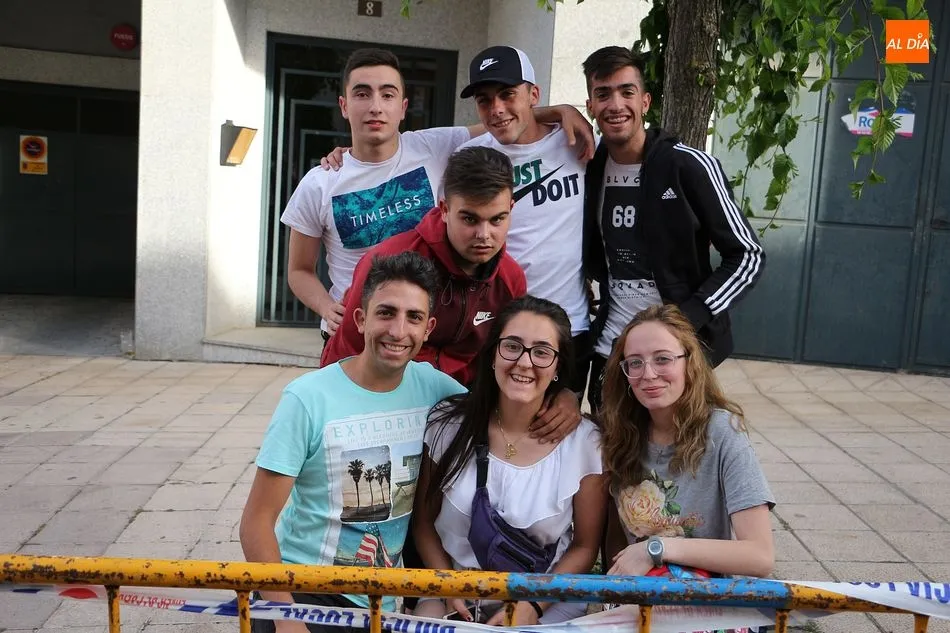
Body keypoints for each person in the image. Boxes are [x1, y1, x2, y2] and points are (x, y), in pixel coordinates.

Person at [286, 48, 594, 340]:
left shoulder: (431, 146)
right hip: (354, 333)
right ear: (344, 105)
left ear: (403, 107)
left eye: (387, 94)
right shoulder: (320, 182)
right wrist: (327, 307)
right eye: (362, 94)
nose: (375, 106)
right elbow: (299, 270)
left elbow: (501, 120)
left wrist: (562, 111)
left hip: (420, 333)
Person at [239, 252, 467, 633]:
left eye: (413, 317)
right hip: (303, 593)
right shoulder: (307, 398)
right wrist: (285, 617)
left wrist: (563, 401)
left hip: (381, 603)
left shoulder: (435, 388)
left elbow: (500, 415)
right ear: (360, 319)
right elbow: (256, 522)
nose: (398, 330)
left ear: (428, 328)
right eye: (386, 313)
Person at [581, 46, 766, 411]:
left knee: (676, 449)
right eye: (603, 94)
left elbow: (748, 255)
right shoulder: (587, 167)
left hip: (677, 353)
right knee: (608, 446)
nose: (615, 105)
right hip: (611, 351)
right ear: (590, 106)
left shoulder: (688, 166)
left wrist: (689, 317)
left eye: (626, 92)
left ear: (645, 101)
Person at [412, 296, 607, 626]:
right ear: (492, 355)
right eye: (512, 346)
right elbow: (423, 524)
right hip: (454, 593)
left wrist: (534, 604)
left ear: (558, 368)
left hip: (545, 598)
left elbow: (585, 547)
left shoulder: (585, 443)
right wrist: (447, 585)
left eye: (542, 352)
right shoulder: (448, 424)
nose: (524, 362)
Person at [321, 146, 525, 387]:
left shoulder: (511, 279)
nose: (484, 235)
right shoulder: (387, 262)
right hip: (386, 394)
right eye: (470, 219)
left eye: (497, 219)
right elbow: (347, 353)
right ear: (445, 209)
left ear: (511, 209)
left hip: (462, 399)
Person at [599, 304, 774, 582]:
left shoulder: (722, 431)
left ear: (689, 363)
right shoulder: (619, 433)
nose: (648, 374)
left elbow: (760, 556)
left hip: (702, 597)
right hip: (639, 596)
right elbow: (617, 542)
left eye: (663, 359)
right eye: (635, 362)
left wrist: (656, 549)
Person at [459, 46, 593, 398]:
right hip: (496, 327)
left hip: (569, 325)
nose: (496, 109)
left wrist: (564, 111)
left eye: (507, 94)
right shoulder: (469, 157)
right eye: (485, 100)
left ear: (533, 94)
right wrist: (347, 154)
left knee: (557, 425)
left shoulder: (574, 142)